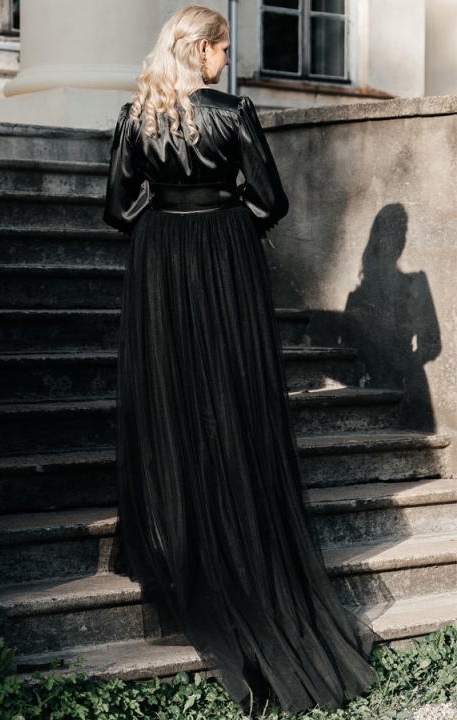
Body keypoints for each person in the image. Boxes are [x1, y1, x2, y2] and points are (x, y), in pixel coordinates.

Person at [103, 5, 377, 714]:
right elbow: (272, 200)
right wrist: (223, 219)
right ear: (202, 50)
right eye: (224, 49)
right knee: (229, 400)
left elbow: (115, 208)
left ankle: (175, 535)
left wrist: (164, 218)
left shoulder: (137, 117)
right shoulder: (233, 111)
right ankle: (236, 537)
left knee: (172, 402)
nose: (228, 60)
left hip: (160, 263)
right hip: (224, 263)